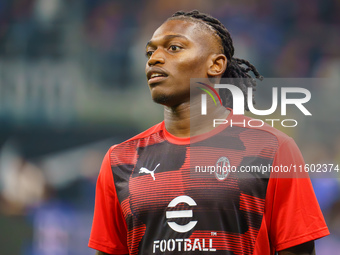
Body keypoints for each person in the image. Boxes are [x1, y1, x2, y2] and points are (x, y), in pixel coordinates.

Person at [88, 10, 329, 255]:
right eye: (150, 52)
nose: (154, 59)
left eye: (173, 48)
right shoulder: (120, 160)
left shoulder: (272, 148)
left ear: (215, 65)